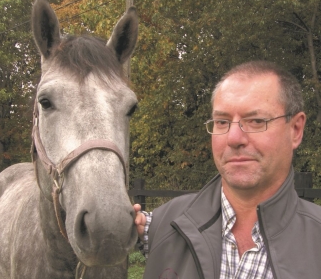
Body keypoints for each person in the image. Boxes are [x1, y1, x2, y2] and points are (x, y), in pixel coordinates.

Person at [134, 60, 321, 279]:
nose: (233, 138)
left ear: (296, 130)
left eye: (256, 121)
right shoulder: (163, 226)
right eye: (222, 122)